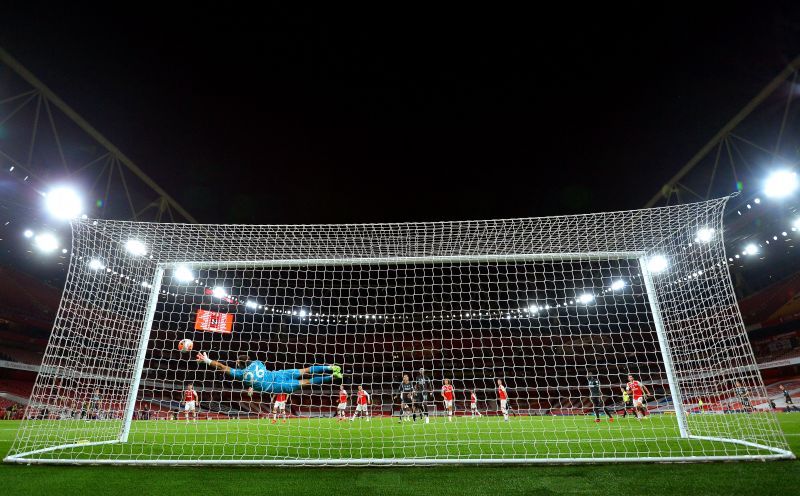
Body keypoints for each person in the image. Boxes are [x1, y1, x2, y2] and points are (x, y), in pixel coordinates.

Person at [196, 352, 342, 395]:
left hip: (276, 386)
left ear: (240, 364)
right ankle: (330, 367)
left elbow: (222, 367)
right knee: (304, 370)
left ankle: (332, 376)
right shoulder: (258, 362)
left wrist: (208, 360)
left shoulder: (242, 375)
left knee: (306, 382)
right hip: (278, 374)